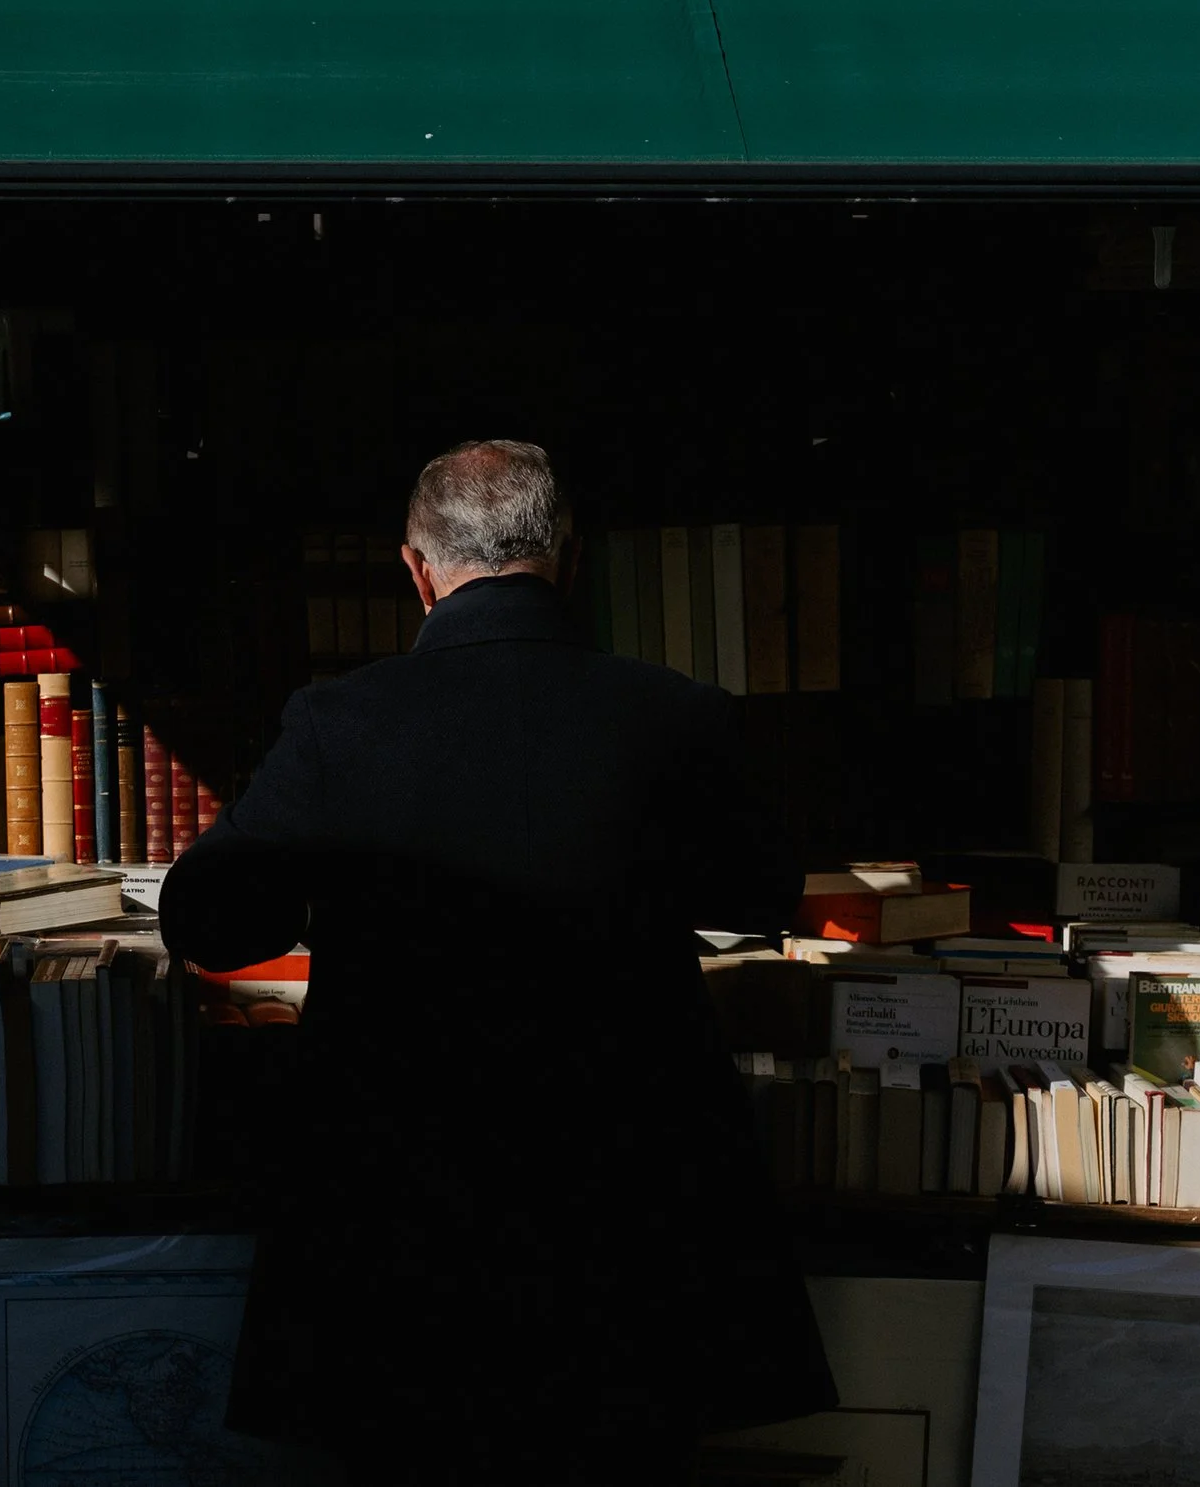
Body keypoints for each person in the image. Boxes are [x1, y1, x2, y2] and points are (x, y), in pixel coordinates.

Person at [160, 440, 836, 1484]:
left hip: (398, 1234)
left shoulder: (339, 722)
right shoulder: (673, 714)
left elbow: (207, 919)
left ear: (416, 569)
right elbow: (760, 893)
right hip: (630, 1232)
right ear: (570, 557)